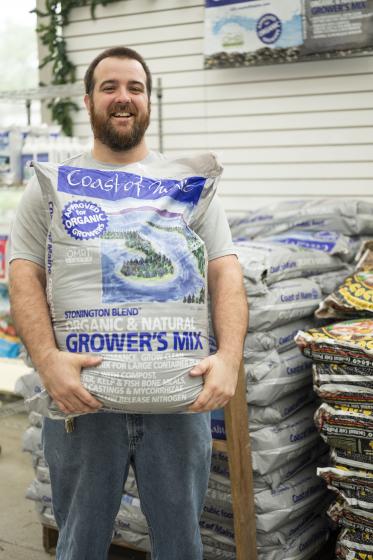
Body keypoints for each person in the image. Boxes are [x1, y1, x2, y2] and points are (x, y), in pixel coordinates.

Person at [9, 46, 248, 560]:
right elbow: (23, 273)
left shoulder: (187, 185)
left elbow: (225, 270)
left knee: (182, 543)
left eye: (134, 89)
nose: (123, 98)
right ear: (89, 99)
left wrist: (229, 358)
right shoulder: (50, 186)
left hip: (177, 401)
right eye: (110, 87)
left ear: (148, 101)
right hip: (82, 402)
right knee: (79, 542)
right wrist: (48, 362)